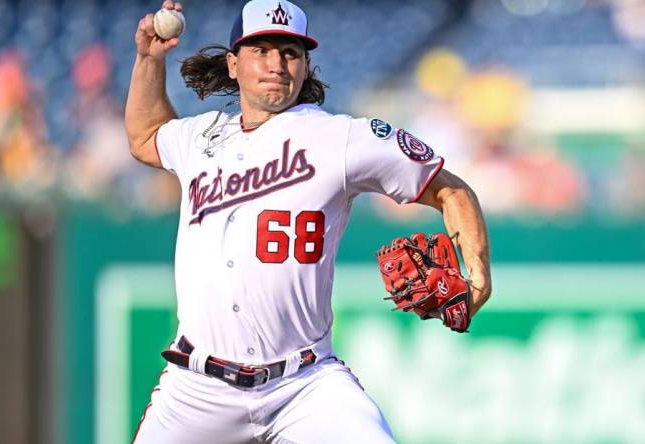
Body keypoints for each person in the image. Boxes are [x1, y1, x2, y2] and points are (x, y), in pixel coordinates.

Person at [125, 1, 492, 442]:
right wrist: (149, 60)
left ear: (305, 64)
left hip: (305, 384)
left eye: (290, 52)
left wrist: (478, 275)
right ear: (233, 63)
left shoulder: (342, 138)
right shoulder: (200, 137)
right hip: (197, 389)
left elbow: (450, 189)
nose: (277, 64)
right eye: (261, 50)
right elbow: (145, 137)